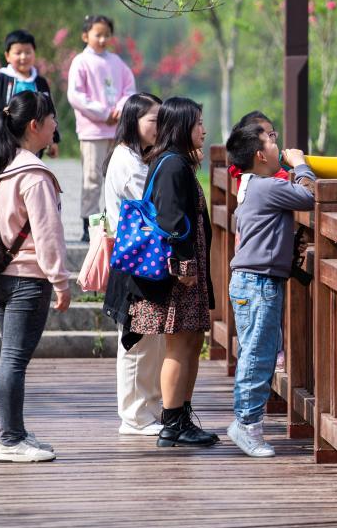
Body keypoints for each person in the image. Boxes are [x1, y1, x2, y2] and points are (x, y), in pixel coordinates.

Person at [106, 97, 216, 448]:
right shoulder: (172, 164)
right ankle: (172, 423)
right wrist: (185, 266)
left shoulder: (176, 161)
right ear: (183, 126)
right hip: (179, 274)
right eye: (198, 123)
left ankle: (180, 417)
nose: (204, 130)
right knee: (179, 344)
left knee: (191, 341)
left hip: (187, 271)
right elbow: (171, 220)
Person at [0, 91, 71, 462]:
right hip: (28, 279)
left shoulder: (3, 167)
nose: (56, 125)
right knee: (14, 362)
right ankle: (10, 441)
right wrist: (60, 281)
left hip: (1, 275)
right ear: (35, 126)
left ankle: (16, 433)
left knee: (11, 358)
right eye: (52, 119)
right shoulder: (34, 176)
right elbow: (48, 234)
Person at [224, 122, 316, 457]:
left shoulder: (253, 184)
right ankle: (247, 425)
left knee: (257, 352)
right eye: (272, 141)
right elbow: (309, 196)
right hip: (258, 283)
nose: (279, 146)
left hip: (253, 281)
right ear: (260, 155)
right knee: (257, 356)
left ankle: (247, 423)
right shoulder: (265, 187)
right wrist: (301, 164)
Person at [101, 92, 167, 436]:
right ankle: (134, 416)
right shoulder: (128, 162)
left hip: (140, 258)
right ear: (133, 121)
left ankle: (147, 410)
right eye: (154, 120)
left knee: (149, 340)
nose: (160, 126)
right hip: (135, 262)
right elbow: (156, 204)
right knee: (137, 341)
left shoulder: (135, 156)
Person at [67, 14, 136, 242]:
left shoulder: (116, 62)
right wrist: (104, 113)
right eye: (98, 35)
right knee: (92, 178)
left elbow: (129, 89)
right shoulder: (81, 61)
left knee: (117, 178)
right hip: (92, 132)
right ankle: (89, 225)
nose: (103, 39)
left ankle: (115, 223)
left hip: (117, 131)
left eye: (107, 35)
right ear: (85, 36)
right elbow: (76, 96)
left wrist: (120, 109)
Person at [0, 30, 60, 157]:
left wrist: (53, 139)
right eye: (18, 53)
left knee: (30, 166)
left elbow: (49, 112)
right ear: (7, 56)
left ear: (34, 53)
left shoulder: (40, 82)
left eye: (28, 52)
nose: (23, 57)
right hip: (5, 138)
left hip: (34, 141)